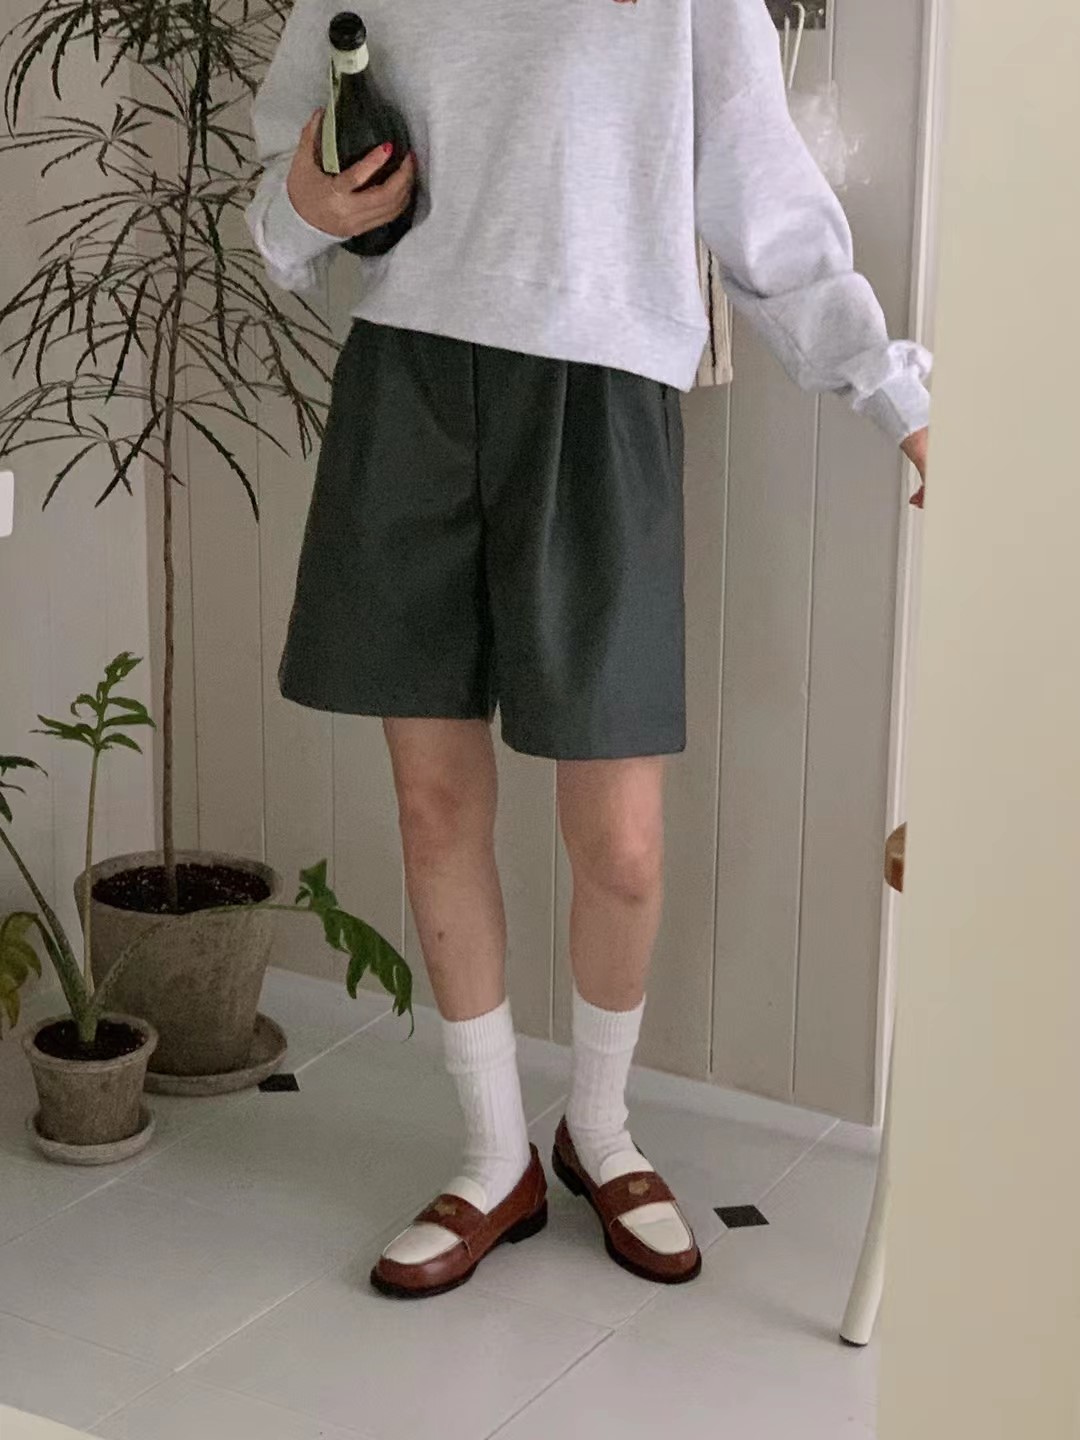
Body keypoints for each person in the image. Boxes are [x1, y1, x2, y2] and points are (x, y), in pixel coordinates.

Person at [246, 0, 931, 1301]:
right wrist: (303, 208)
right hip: (408, 379)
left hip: (602, 384)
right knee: (435, 804)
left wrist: (895, 395)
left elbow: (760, 191)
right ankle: (492, 1154)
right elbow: (292, 170)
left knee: (619, 843)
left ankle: (599, 1130)